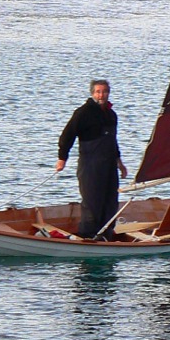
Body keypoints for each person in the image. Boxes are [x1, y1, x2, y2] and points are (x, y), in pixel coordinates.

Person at [56, 79, 128, 239]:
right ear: (92, 93)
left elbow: (112, 141)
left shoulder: (111, 115)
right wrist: (62, 158)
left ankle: (106, 233)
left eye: (104, 91)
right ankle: (88, 235)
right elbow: (67, 135)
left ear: (108, 93)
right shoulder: (83, 112)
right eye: (98, 92)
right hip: (90, 164)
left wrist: (120, 163)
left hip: (109, 164)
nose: (101, 95)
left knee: (110, 201)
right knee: (92, 201)